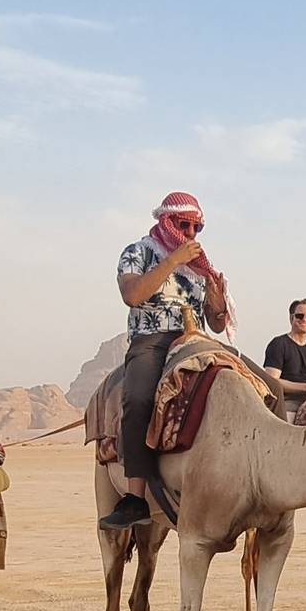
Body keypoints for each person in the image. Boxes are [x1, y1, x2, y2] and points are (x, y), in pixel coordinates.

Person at [99, 191, 229, 530]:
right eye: (184, 225)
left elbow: (216, 323)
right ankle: (135, 498)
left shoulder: (200, 267)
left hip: (196, 340)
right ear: (166, 221)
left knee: (256, 384)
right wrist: (173, 261)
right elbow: (133, 295)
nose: (190, 233)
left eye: (197, 227)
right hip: (153, 340)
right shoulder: (138, 252)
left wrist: (218, 301)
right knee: (139, 398)